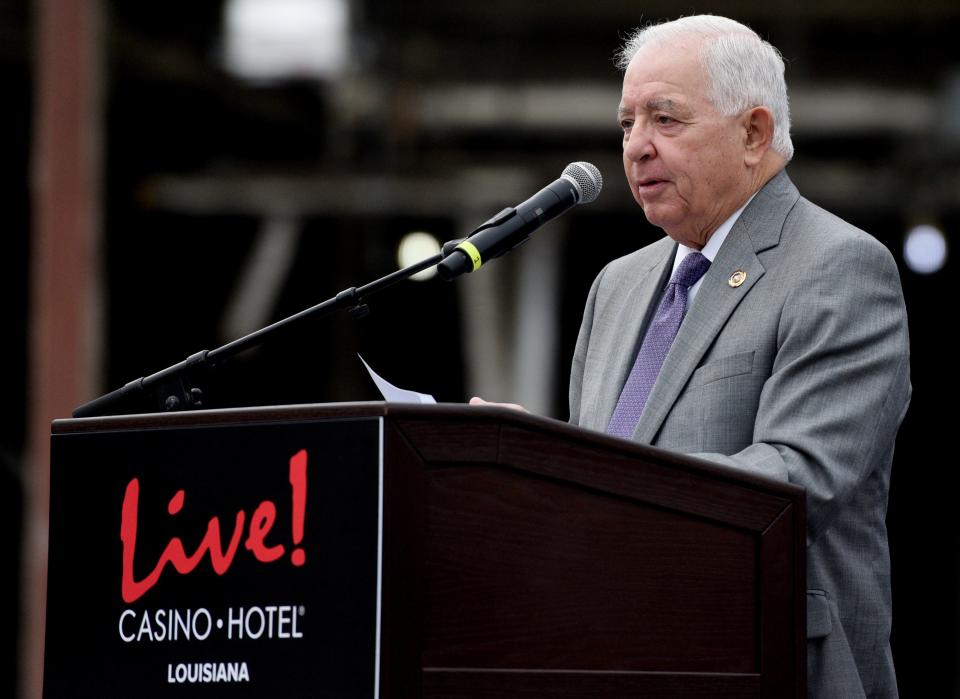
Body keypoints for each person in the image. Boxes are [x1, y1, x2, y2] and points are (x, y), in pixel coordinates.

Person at [564, 15, 910, 699]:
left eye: (665, 119)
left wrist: (587, 478)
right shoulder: (618, 285)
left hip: (762, 662)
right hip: (613, 658)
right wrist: (531, 462)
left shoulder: (838, 267)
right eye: (627, 123)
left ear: (753, 133)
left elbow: (795, 480)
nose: (636, 147)